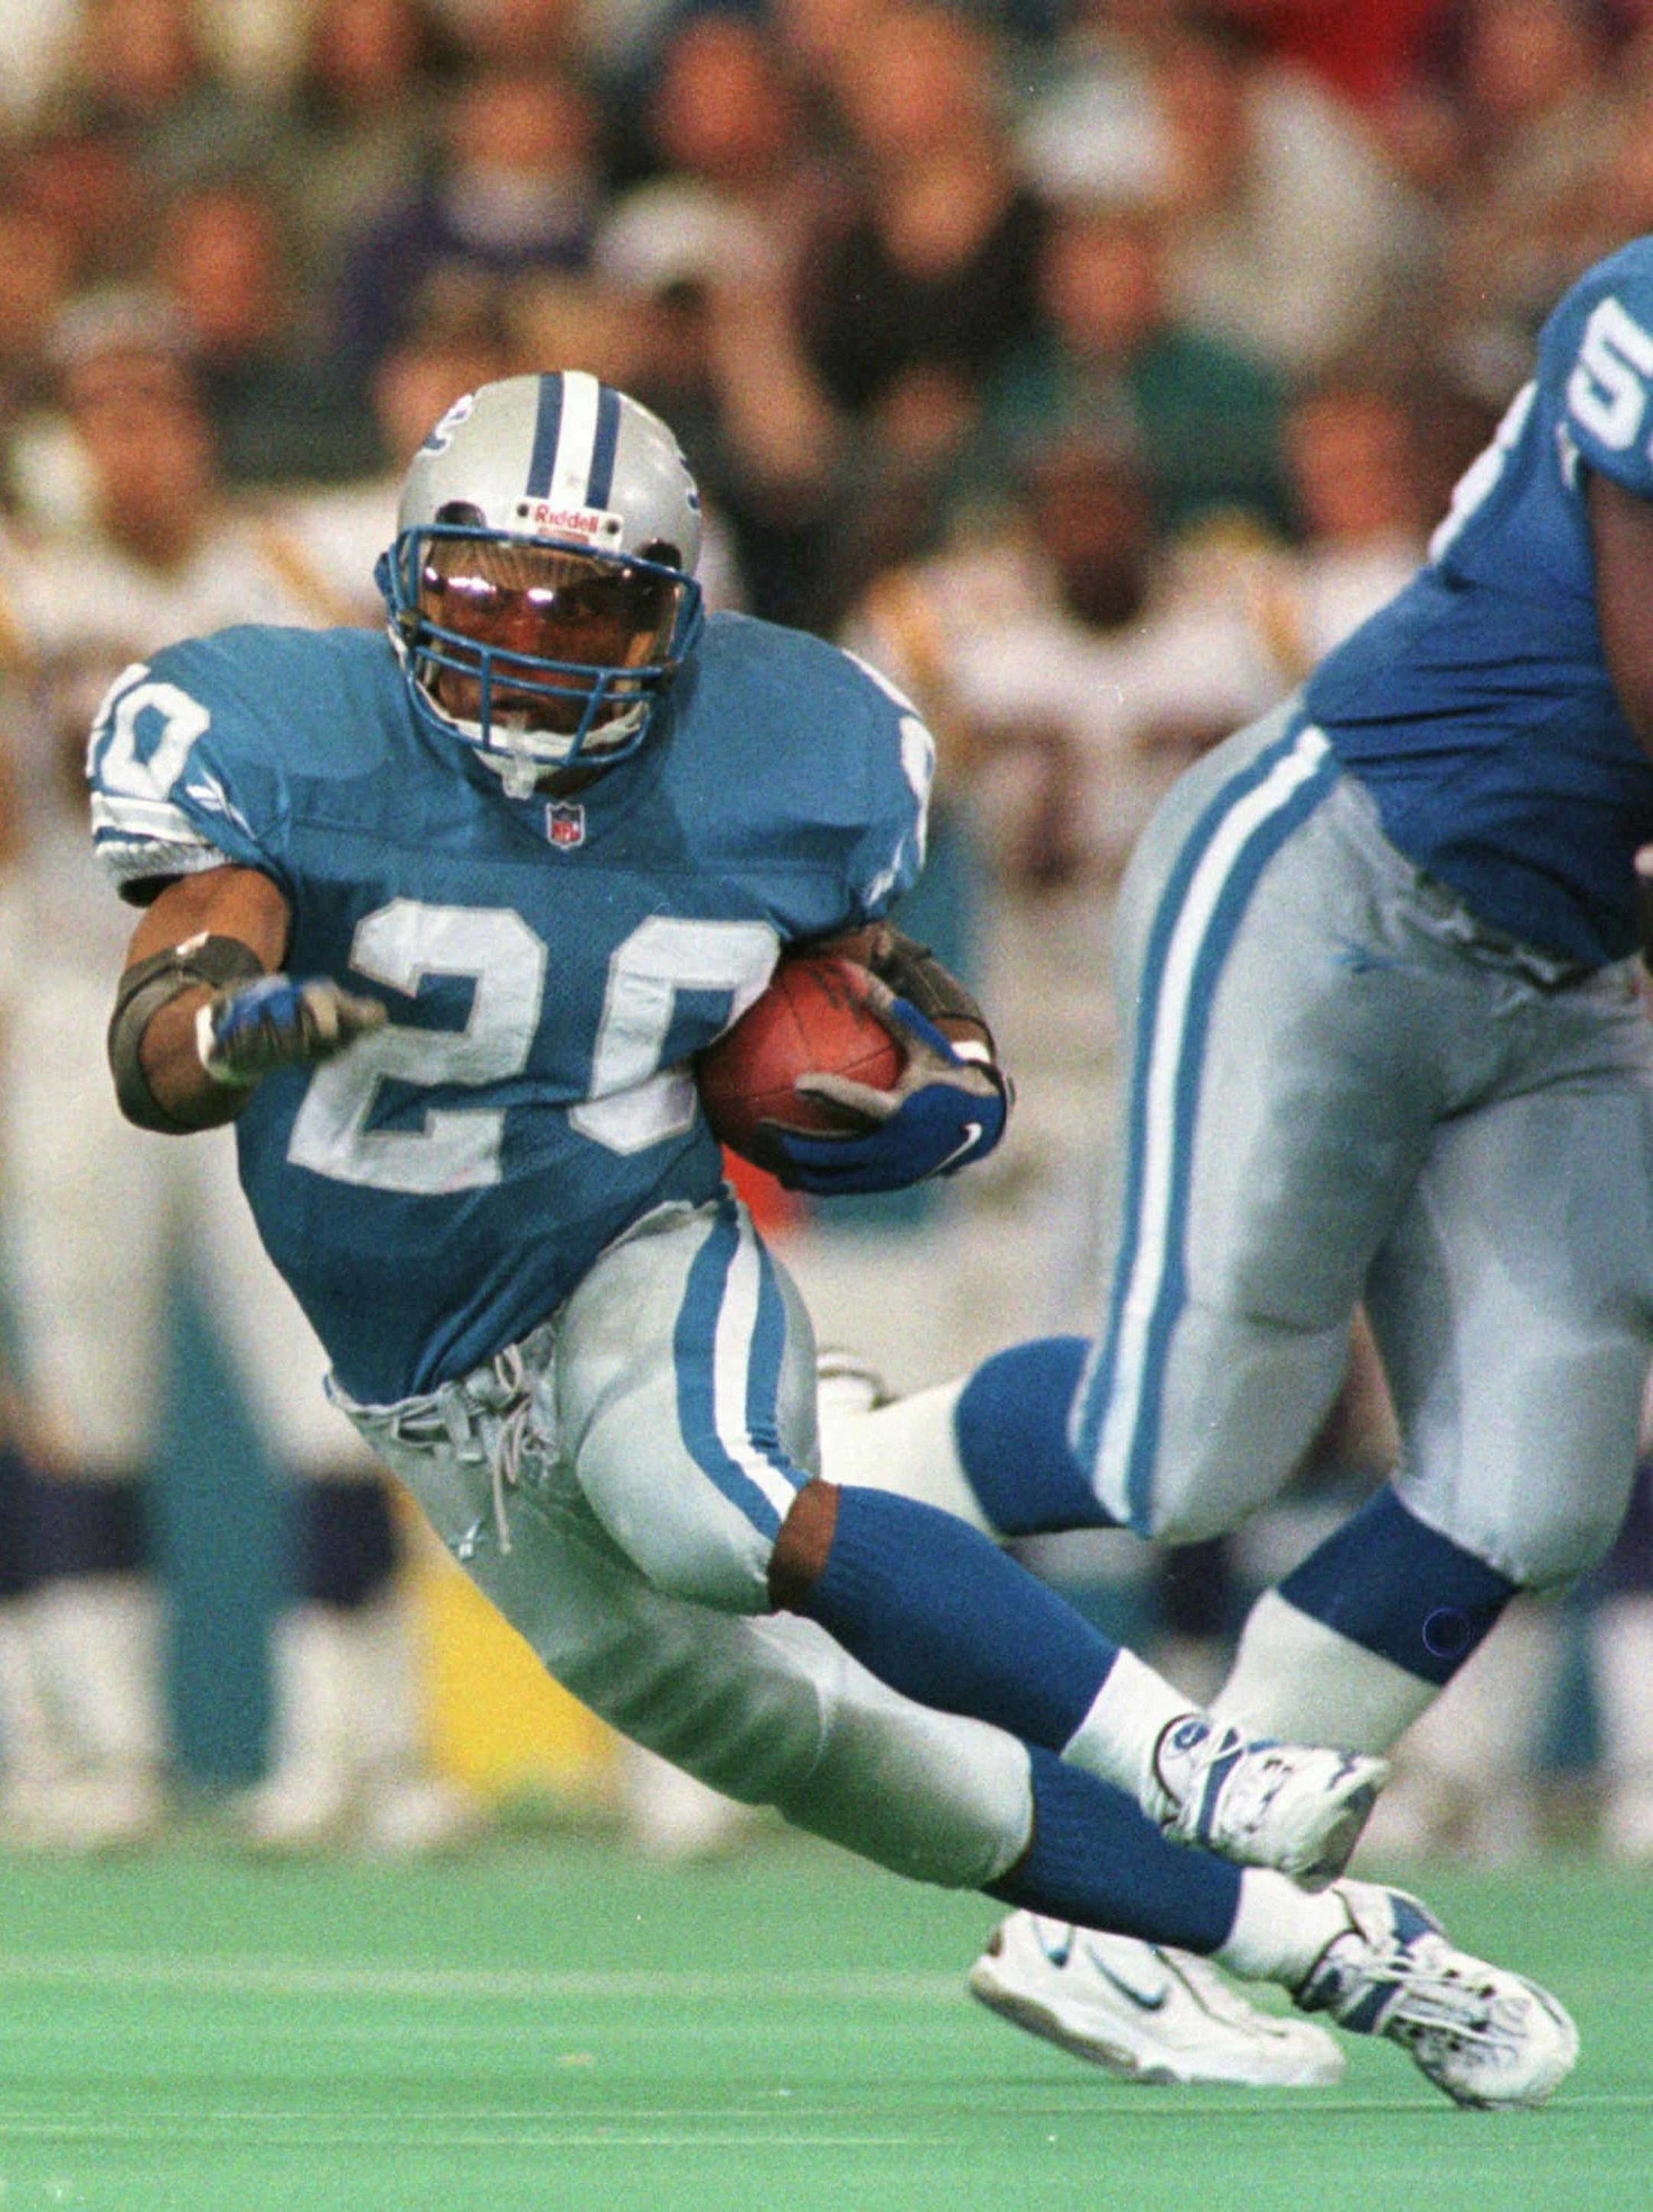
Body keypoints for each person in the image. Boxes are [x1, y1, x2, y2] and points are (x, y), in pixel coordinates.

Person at [88, 366, 1570, 2108]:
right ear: (409, 577)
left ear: (677, 617)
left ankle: (1188, 1754)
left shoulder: (795, 750)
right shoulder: (273, 728)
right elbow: (168, 1014)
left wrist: (932, 1069)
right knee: (830, 1756)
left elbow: (865, 988)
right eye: (493, 594)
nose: (538, 646)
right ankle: (1321, 1948)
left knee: (708, 1507)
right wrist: (225, 1028)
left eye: (591, 607)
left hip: (624, 1251)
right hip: (427, 1391)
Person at [821, 230, 1653, 2090]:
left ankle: (1119, 1922)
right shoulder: (1645, 307)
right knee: (1185, 1447)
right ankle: (797, 1483)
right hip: (1340, 873)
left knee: (1533, 1485)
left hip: (1567, 963)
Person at [0, 293, 472, 1852]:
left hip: (269, 1018)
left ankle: (361, 1746)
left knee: (325, 1388)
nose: (132, 441)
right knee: (86, 1398)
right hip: (77, 1013)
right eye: (103, 411)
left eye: (157, 407)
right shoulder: (27, 585)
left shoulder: (287, 565)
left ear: (202, 426)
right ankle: (103, 1749)